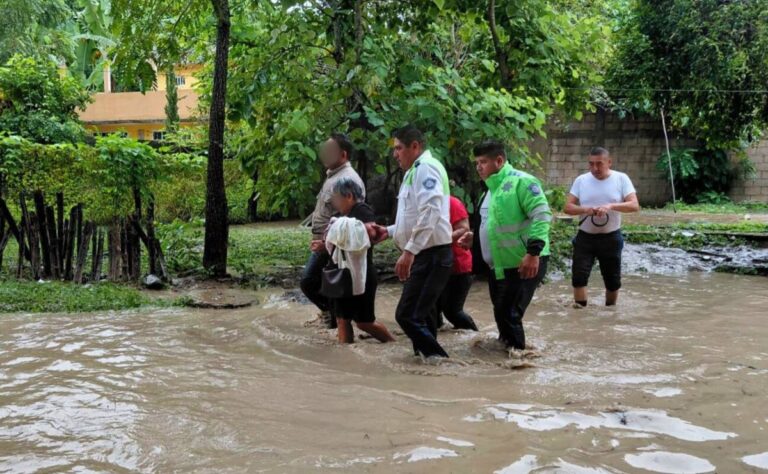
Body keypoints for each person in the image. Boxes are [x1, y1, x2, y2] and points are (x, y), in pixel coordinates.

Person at [369, 125, 453, 358]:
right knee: (422, 317)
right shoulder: (414, 171)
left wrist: (409, 251)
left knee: (407, 315)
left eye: (398, 148)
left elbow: (431, 211)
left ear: (415, 146)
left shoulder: (425, 168)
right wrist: (387, 231)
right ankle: (426, 368)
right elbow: (414, 219)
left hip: (432, 255)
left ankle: (441, 362)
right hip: (427, 253)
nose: (395, 154)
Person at [460, 140, 552, 351]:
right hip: (499, 266)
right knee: (501, 312)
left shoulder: (523, 182)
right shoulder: (489, 191)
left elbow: (542, 215)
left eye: (483, 162)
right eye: (477, 163)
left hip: (524, 261)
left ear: (499, 160)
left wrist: (533, 253)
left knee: (509, 313)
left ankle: (519, 362)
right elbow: (495, 225)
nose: (478, 167)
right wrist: (474, 238)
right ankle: (505, 352)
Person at [300, 133, 365, 329]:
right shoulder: (333, 176)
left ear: (343, 154)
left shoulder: (347, 179)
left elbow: (354, 218)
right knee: (327, 283)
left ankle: (335, 317)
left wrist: (328, 243)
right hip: (325, 241)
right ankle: (335, 319)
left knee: (309, 282)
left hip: (334, 243)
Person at [564, 147, 640, 307]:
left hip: (611, 237)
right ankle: (580, 314)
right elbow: (568, 208)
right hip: (585, 237)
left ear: (609, 162)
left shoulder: (621, 178)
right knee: (578, 278)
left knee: (612, 281)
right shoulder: (581, 180)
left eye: (599, 164)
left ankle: (610, 313)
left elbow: (634, 205)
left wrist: (611, 206)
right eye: (591, 164)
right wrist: (587, 210)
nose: (595, 169)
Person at [326, 178, 396, 344]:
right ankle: (347, 356)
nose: (334, 203)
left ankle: (392, 343)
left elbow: (369, 236)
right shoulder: (344, 215)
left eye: (336, 198)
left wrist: (339, 230)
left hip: (358, 274)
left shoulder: (362, 211)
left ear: (349, 196)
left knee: (364, 322)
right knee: (343, 319)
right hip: (345, 274)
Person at [435, 195, 478, 331]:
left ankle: (474, 337)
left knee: (453, 311)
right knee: (431, 308)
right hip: (436, 265)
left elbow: (464, 229)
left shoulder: (452, 202)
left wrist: (435, 241)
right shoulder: (421, 203)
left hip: (459, 266)